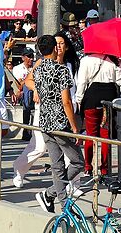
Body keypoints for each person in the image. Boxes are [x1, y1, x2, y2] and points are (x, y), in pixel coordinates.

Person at [25, 32, 83, 211]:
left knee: (57, 167)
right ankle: (53, 195)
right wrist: (74, 126)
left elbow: (30, 83)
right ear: (53, 48)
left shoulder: (39, 69)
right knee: (78, 161)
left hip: (45, 122)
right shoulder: (61, 70)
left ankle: (57, 199)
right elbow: (66, 101)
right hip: (60, 122)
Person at [71, 40, 121, 180]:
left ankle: (88, 167)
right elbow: (120, 81)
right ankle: (105, 169)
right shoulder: (114, 60)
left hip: (92, 98)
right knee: (105, 135)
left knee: (90, 134)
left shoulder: (86, 60)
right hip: (109, 98)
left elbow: (81, 82)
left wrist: (79, 99)